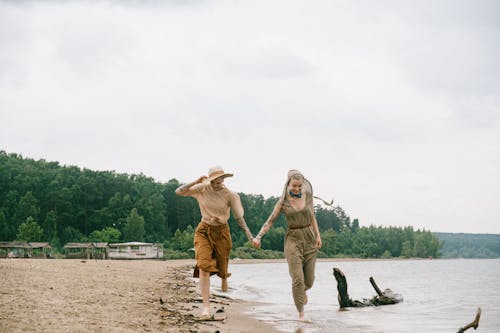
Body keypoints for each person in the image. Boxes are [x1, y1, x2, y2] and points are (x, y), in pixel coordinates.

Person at [175, 166, 254, 320]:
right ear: (210, 180)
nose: (218, 185)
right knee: (203, 265)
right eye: (215, 182)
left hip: (222, 231)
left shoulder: (229, 195)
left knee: (222, 264)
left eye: (220, 181)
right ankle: (206, 308)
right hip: (203, 230)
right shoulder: (201, 188)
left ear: (224, 180)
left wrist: (250, 237)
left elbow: (239, 218)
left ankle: (224, 277)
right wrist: (196, 181)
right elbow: (179, 191)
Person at [252, 169, 325, 321]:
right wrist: (258, 237)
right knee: (297, 278)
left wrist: (318, 235)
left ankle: (301, 291)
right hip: (293, 239)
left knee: (309, 281)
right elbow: (270, 220)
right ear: (288, 184)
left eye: (300, 186)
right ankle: (301, 313)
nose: (297, 189)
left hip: (310, 238)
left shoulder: (308, 196)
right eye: (294, 186)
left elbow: (312, 216)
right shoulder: (283, 202)